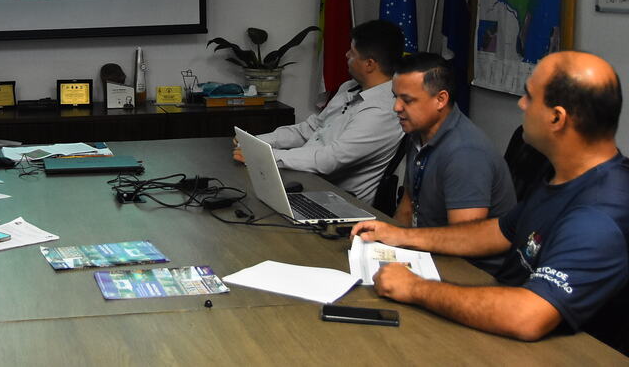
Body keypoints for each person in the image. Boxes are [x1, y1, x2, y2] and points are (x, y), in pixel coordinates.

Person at [352, 51, 629, 342]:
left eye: (529, 97)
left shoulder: (599, 214)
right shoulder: (565, 175)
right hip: (506, 318)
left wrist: (415, 287)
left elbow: (529, 316)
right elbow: (497, 231)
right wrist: (402, 236)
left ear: (557, 118)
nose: (521, 104)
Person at [233, 20, 405, 204]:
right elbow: (309, 129)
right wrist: (256, 142)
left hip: (336, 202)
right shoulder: (350, 88)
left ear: (369, 64)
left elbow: (330, 159)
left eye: (352, 52)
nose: (346, 55)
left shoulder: (384, 111)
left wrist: (266, 156)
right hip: (305, 183)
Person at [390, 52, 515, 272]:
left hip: (474, 272)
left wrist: (402, 240)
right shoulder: (418, 133)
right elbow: (408, 206)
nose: (396, 107)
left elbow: (464, 242)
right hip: (429, 254)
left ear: (441, 99)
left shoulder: (465, 153)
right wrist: (384, 247)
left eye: (407, 100)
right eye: (395, 97)